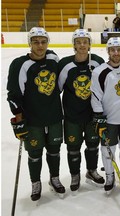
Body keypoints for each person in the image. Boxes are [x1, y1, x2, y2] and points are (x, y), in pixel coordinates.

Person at [7, 27, 65, 201]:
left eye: (43, 41)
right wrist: (19, 120)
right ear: (30, 43)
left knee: (54, 150)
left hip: (54, 116)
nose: (40, 46)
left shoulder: (54, 59)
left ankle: (54, 178)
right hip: (32, 119)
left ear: (47, 43)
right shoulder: (20, 64)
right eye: (36, 42)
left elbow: (60, 85)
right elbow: (14, 95)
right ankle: (35, 182)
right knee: (34, 153)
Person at [58, 29, 105, 194]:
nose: (82, 45)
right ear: (74, 45)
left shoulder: (98, 62)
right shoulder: (65, 65)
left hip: (92, 115)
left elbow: (104, 87)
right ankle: (75, 175)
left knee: (93, 145)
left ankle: (91, 171)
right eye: (78, 42)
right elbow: (57, 89)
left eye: (85, 41)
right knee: (73, 147)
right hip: (72, 115)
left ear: (90, 44)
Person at [90, 37, 120, 194]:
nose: (116, 53)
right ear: (108, 51)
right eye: (112, 50)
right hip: (109, 119)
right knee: (107, 150)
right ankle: (109, 175)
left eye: (119, 49)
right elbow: (95, 96)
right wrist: (99, 117)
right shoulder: (99, 72)